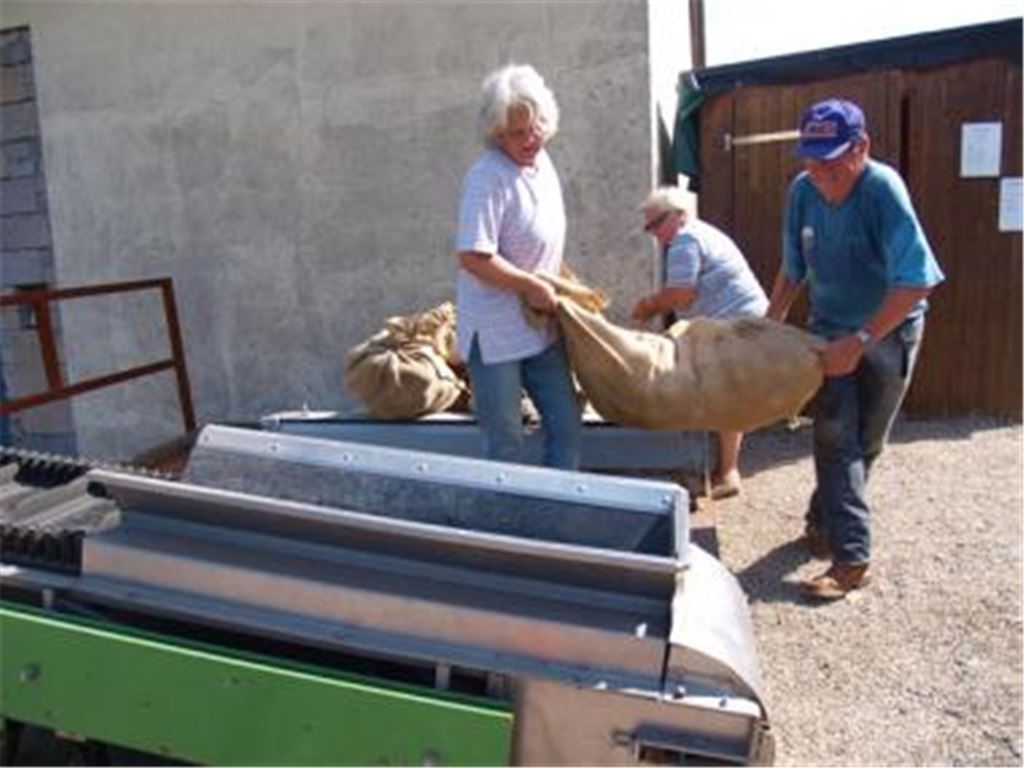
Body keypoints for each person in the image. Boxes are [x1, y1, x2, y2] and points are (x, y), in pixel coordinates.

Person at [766, 98, 945, 600]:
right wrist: (770, 321)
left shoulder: (881, 190)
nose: (819, 172)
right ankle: (852, 559)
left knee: (865, 443)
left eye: (832, 159)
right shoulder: (802, 192)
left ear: (861, 146)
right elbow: (793, 266)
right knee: (834, 437)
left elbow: (917, 281)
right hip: (828, 330)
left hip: (890, 332)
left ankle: (823, 521)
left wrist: (862, 340)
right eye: (811, 159)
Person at [453, 64, 582, 470]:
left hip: (539, 324)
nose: (530, 139)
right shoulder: (487, 177)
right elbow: (473, 255)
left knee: (566, 425)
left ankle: (561, 517)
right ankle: (510, 525)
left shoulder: (543, 165)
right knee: (506, 440)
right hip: (495, 333)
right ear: (496, 133)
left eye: (535, 127)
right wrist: (528, 285)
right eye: (516, 133)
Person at [631, 185, 768, 500]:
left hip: (734, 321)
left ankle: (727, 471)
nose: (653, 233)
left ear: (678, 216)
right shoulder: (698, 232)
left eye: (656, 224)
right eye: (648, 227)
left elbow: (681, 294)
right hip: (740, 318)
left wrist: (648, 306)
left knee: (725, 392)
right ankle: (719, 464)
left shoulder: (685, 241)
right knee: (722, 388)